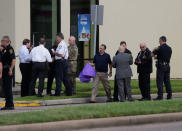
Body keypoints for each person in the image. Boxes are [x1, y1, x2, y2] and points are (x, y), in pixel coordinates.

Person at [152, 36, 172, 100]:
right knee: (167, 81)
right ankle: (169, 95)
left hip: (161, 66)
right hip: (167, 66)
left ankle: (160, 96)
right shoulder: (169, 48)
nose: (159, 42)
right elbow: (164, 56)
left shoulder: (159, 48)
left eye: (159, 41)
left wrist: (154, 49)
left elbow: (151, 55)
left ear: (161, 41)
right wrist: (157, 57)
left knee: (160, 82)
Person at [0, 36, 15, 110]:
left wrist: (11, 69)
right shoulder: (4, 49)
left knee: (8, 88)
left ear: (6, 41)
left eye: (2, 41)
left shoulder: (10, 49)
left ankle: (10, 105)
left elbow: (13, 60)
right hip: (4, 70)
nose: (1, 43)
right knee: (5, 88)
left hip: (8, 69)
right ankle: (7, 104)